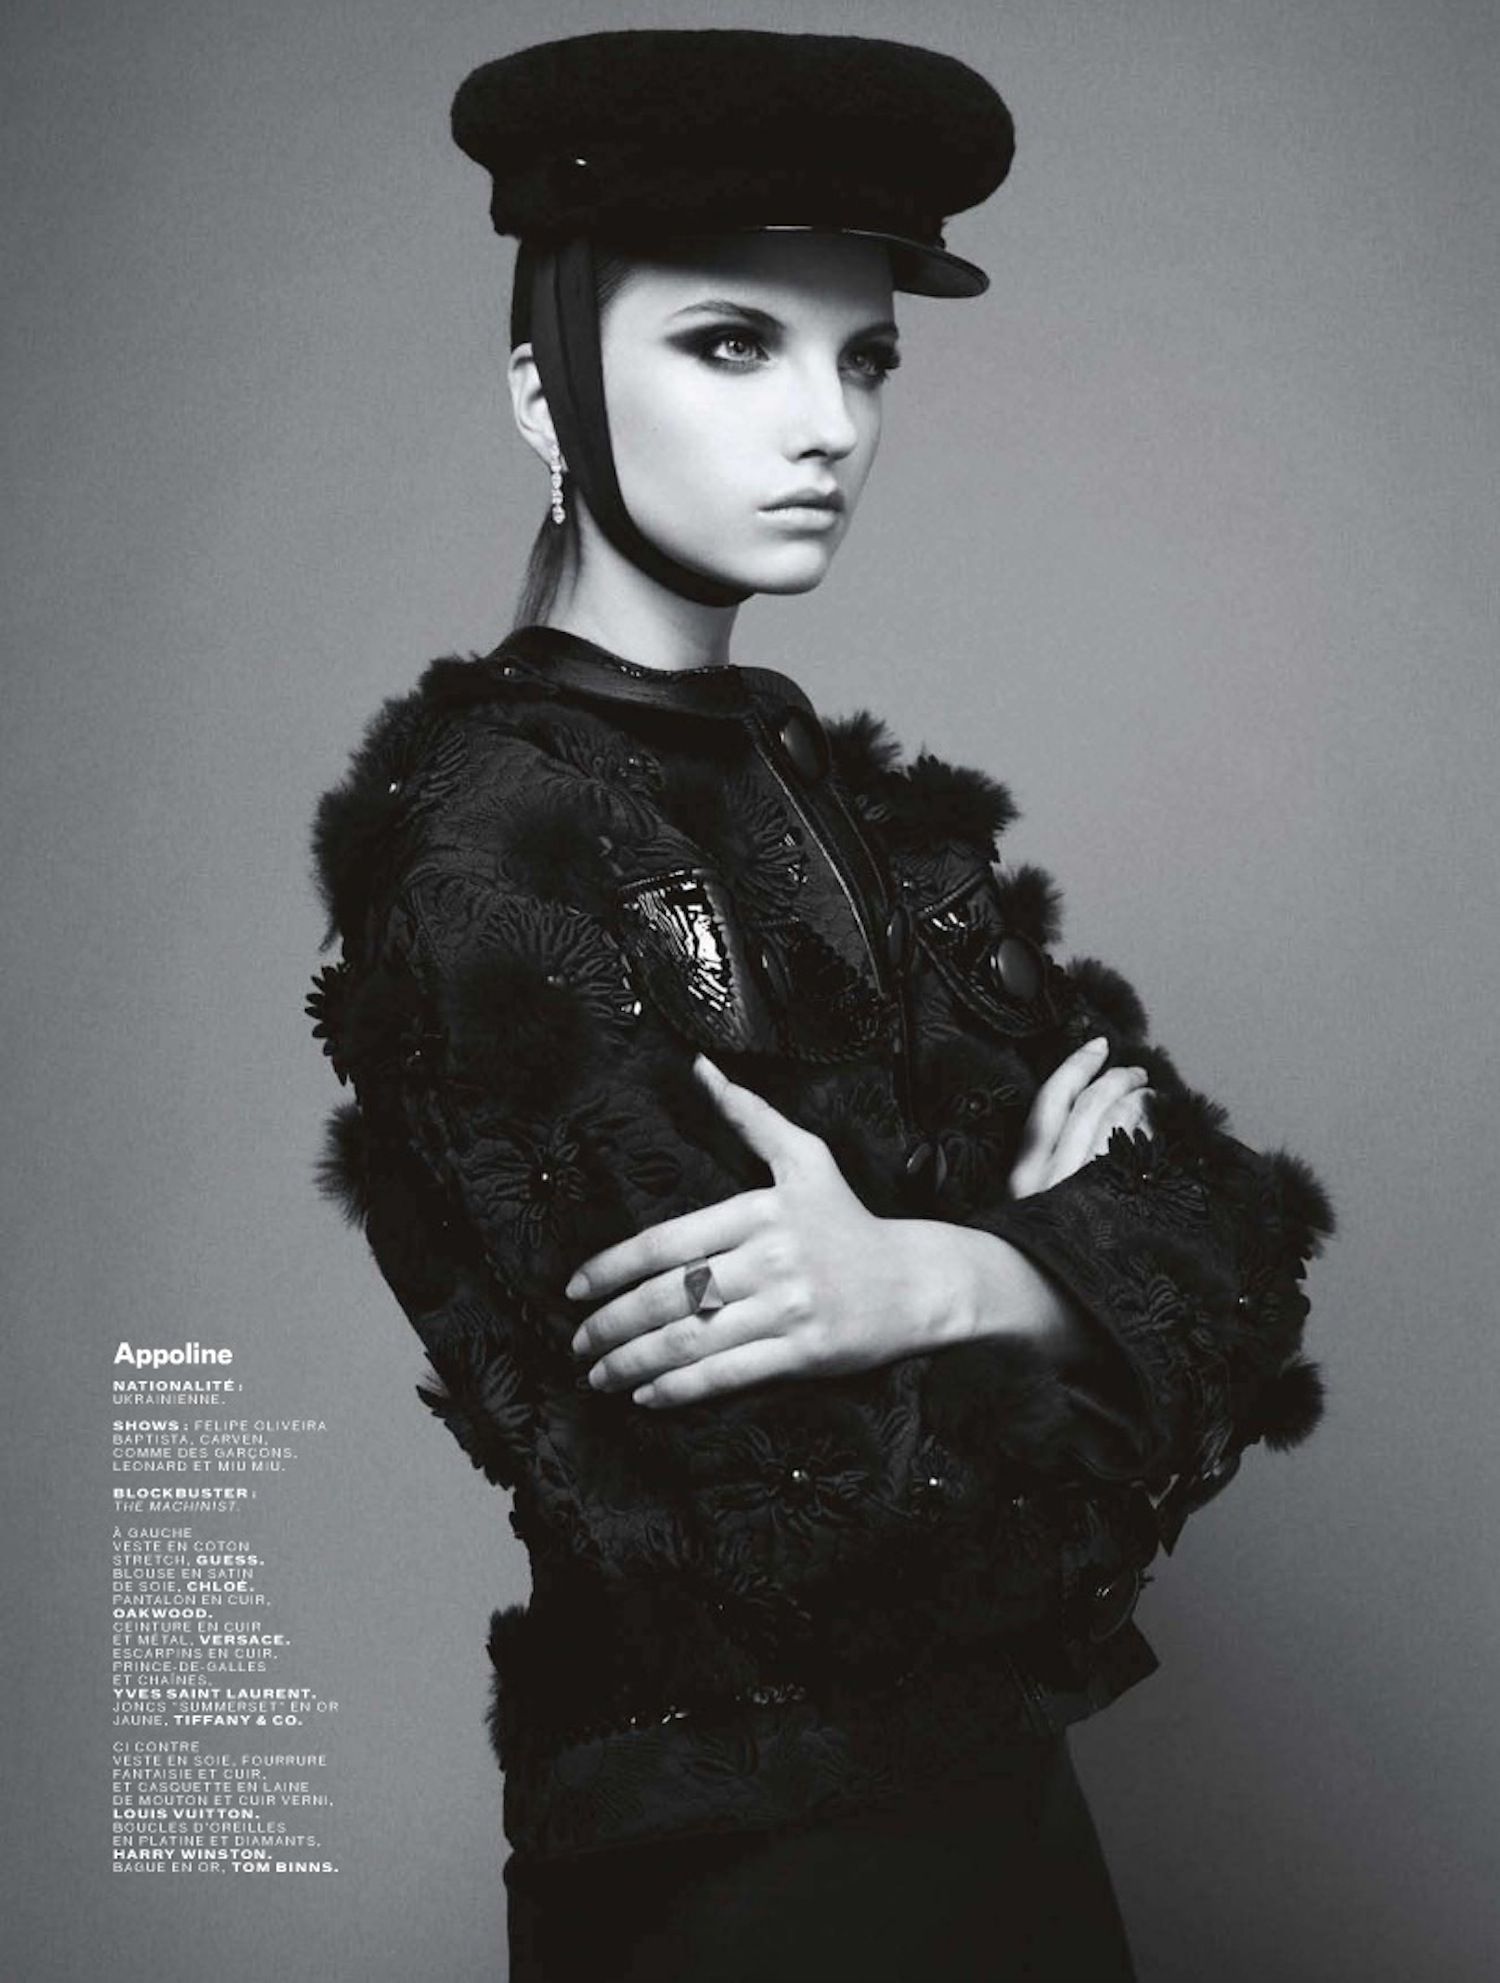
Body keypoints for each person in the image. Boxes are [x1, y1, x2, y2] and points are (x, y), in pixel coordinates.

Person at [305, 29, 1334, 1981]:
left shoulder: (850, 798)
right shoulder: (485, 860)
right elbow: (811, 1537)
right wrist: (1060, 1247)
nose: (829, 424)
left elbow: (1237, 1243)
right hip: (744, 1886)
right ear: (542, 391)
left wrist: (944, 1276)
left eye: (863, 359)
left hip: (1013, 1845)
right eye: (731, 344)